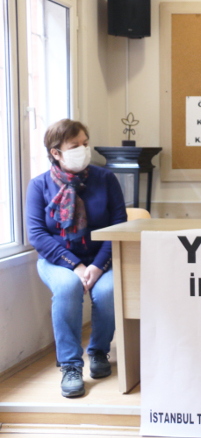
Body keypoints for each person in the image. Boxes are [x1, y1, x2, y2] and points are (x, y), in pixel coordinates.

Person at [26, 119, 127, 398]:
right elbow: (37, 235)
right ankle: (70, 365)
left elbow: (119, 226)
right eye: (74, 146)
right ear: (55, 152)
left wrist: (97, 265)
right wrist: (76, 265)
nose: (83, 149)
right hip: (57, 261)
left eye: (85, 143)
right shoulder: (38, 185)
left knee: (107, 291)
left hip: (102, 258)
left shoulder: (106, 179)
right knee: (68, 287)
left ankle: (99, 351)